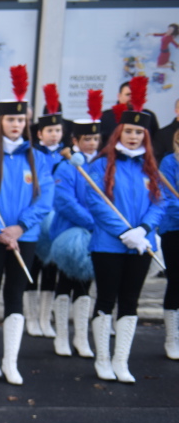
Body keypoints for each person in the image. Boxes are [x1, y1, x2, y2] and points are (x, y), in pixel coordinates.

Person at [0, 65, 55, 386]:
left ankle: (10, 361)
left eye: (20, 120)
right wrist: (0, 230)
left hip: (24, 237)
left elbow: (45, 198)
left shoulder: (38, 158)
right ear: (0, 122)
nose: (16, 125)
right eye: (10, 120)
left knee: (16, 293)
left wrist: (20, 228)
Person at [80, 77, 170, 382]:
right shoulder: (101, 165)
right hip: (108, 245)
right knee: (106, 299)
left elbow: (160, 203)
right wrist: (124, 233)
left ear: (146, 135)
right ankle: (102, 359)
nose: (133, 137)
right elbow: (97, 203)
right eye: (129, 131)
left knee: (130, 301)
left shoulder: (151, 167)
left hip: (142, 244)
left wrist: (142, 230)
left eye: (139, 132)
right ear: (119, 132)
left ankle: (121, 361)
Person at [49, 94, 102, 359]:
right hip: (69, 233)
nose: (91, 143)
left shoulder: (102, 165)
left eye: (95, 139)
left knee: (85, 286)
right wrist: (92, 221)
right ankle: (61, 335)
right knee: (65, 283)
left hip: (96, 234)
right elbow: (64, 201)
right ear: (76, 141)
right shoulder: (66, 167)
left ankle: (81, 336)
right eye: (87, 139)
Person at [25, 85, 67, 339]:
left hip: (58, 220)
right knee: (33, 267)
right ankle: (31, 317)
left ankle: (44, 317)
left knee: (52, 270)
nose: (54, 135)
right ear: (40, 133)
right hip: (36, 219)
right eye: (49, 131)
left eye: (58, 130)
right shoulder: (33, 155)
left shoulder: (67, 157)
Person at [160, 127, 179, 360]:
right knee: (176, 282)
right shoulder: (169, 162)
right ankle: (171, 338)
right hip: (174, 229)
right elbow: (167, 199)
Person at [100, 80, 159, 144]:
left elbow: (155, 141)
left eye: (135, 95)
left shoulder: (148, 116)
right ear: (119, 96)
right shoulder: (106, 116)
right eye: (128, 94)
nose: (131, 98)